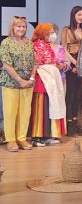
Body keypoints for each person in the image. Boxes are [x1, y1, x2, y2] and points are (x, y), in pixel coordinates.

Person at [0, 16, 36, 152]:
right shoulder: (6, 43)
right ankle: (10, 140)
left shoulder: (29, 43)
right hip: (11, 82)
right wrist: (20, 81)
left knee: (25, 112)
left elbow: (34, 62)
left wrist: (31, 79)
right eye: (18, 26)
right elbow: (7, 65)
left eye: (23, 27)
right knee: (10, 112)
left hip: (28, 83)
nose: (21, 29)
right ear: (13, 28)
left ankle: (22, 138)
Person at [29, 23, 68, 146]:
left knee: (48, 107)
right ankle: (37, 137)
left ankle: (47, 135)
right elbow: (37, 63)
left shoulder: (46, 45)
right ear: (42, 33)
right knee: (40, 107)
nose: (52, 35)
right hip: (42, 78)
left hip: (50, 78)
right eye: (49, 32)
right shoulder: (37, 45)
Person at [61, 5, 82, 136]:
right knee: (70, 95)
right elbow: (64, 49)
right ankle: (68, 124)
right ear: (73, 15)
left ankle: (77, 123)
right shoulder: (66, 30)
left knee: (79, 96)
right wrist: (75, 63)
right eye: (79, 15)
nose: (81, 17)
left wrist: (81, 64)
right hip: (71, 62)